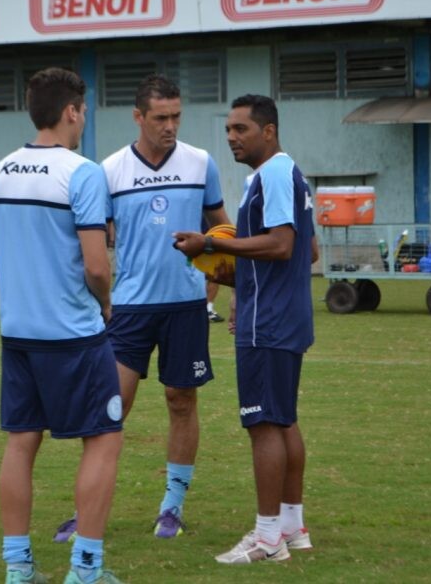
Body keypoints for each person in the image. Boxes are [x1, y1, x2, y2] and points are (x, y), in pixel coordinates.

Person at [53, 73, 230, 543]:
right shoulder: (108, 170)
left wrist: (216, 266)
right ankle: (84, 512)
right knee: (111, 407)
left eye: (176, 116)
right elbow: (91, 239)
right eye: (160, 118)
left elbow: (222, 229)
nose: (169, 125)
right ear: (138, 117)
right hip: (127, 309)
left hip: (185, 307)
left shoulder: (201, 163)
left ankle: (171, 508)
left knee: (181, 401)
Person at [0, 67, 124, 584]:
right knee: (104, 439)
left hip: (17, 334)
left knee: (21, 442)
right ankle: (86, 571)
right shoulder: (82, 173)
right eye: (83, 110)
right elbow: (96, 266)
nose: (83, 119)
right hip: (72, 334)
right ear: (71, 112)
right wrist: (106, 304)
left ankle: (19, 570)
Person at [173, 94, 317, 564]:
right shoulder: (287, 174)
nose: (232, 137)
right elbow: (307, 252)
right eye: (229, 130)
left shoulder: (273, 173)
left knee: (262, 425)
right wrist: (219, 270)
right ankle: (292, 528)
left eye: (242, 129)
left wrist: (211, 242)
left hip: (268, 322)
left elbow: (281, 245)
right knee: (283, 419)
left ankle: (267, 538)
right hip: (283, 313)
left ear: (268, 131)